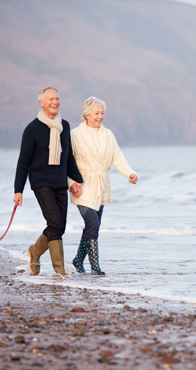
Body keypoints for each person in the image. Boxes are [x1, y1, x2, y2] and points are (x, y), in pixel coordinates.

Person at [13, 87, 83, 277]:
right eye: (51, 98)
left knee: (59, 226)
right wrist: (18, 190)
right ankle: (59, 270)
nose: (55, 102)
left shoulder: (65, 126)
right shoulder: (32, 129)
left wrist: (78, 181)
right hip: (41, 181)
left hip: (60, 181)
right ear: (41, 103)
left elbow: (68, 158)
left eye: (57, 98)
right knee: (55, 221)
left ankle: (35, 251)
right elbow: (23, 162)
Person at [68, 96, 138, 276]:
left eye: (102, 113)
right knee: (92, 222)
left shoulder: (108, 134)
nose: (100, 116)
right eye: (97, 113)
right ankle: (95, 267)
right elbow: (68, 162)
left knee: (93, 226)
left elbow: (118, 157)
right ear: (87, 114)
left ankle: (77, 261)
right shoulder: (75, 134)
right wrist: (71, 183)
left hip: (101, 184)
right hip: (82, 184)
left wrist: (129, 173)